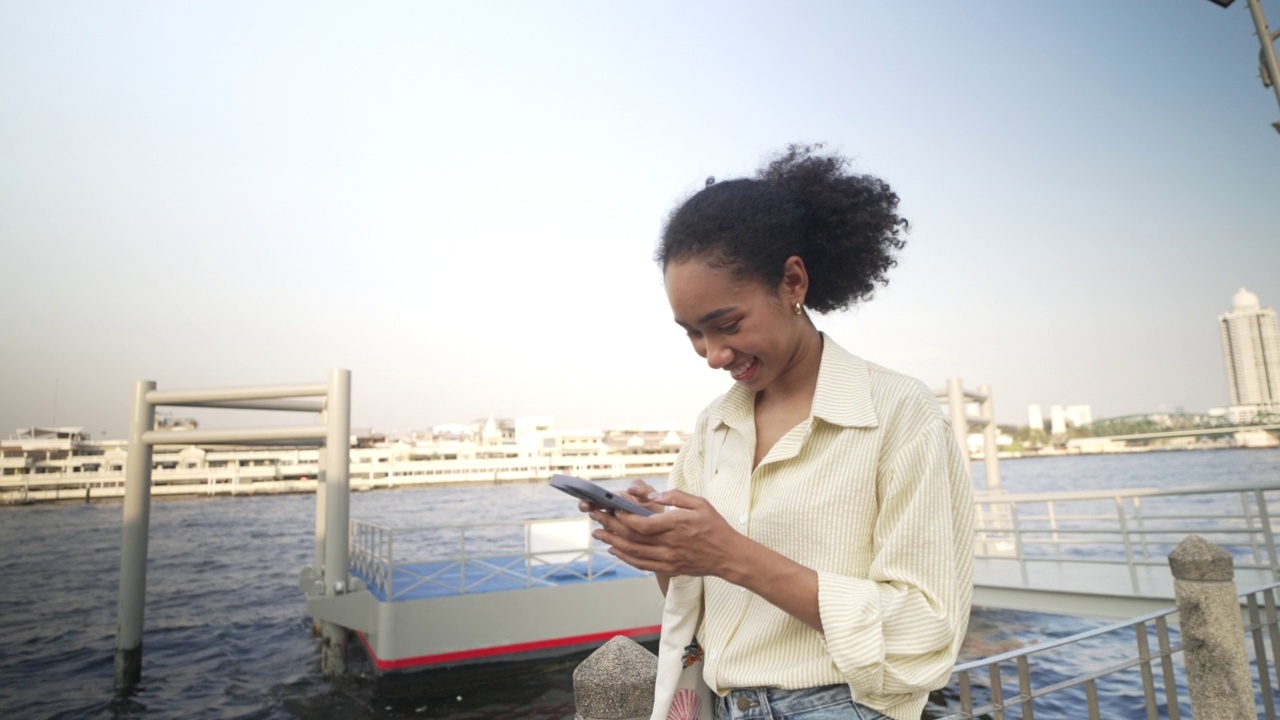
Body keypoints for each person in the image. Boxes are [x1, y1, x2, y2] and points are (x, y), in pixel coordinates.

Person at [583, 144, 974, 720]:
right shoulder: (714, 426)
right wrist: (665, 550)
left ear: (792, 282)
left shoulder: (898, 411)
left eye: (728, 324)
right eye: (692, 334)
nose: (713, 354)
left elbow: (924, 628)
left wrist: (730, 553)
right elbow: (699, 606)